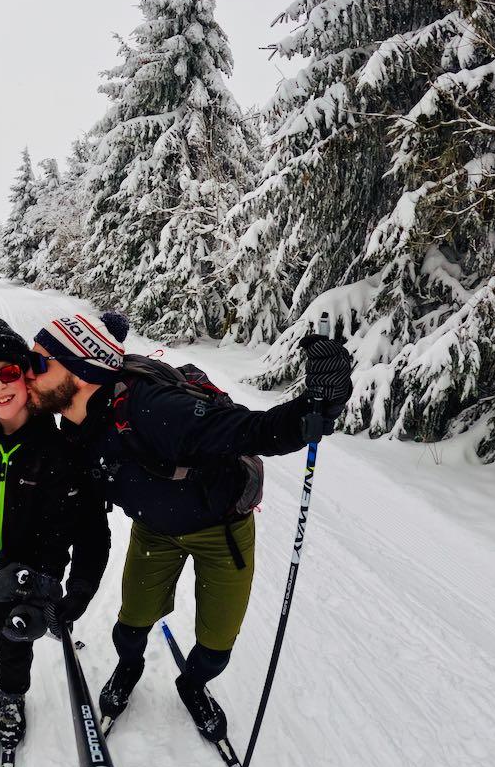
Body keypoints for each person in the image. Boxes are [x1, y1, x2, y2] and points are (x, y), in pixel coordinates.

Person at [25, 311, 353, 740]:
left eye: (38, 363)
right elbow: (88, 521)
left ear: (82, 371)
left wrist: (320, 403)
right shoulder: (71, 432)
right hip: (153, 532)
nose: (27, 374)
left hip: (222, 531)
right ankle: (129, 668)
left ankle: (193, 684)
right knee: (130, 625)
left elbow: (252, 430)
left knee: (217, 647)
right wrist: (78, 590)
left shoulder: (155, 410)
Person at [0, 317, 111, 749]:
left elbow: (66, 525)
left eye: (8, 373)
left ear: (26, 375)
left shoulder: (59, 450)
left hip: (22, 587)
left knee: (15, 649)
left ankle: (12, 697)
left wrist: (48, 576)